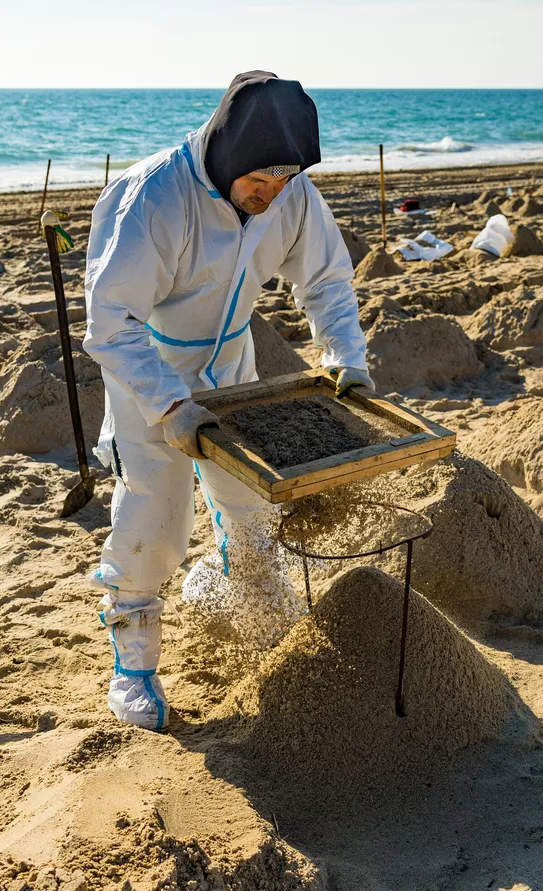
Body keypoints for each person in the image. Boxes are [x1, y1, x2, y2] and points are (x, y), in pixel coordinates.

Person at [82, 71, 373, 730]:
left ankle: (256, 606)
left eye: (283, 184)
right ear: (228, 155)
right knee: (151, 519)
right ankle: (133, 667)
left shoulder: (289, 195)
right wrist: (169, 405)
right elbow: (109, 324)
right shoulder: (153, 199)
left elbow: (327, 277)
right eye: (258, 185)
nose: (269, 199)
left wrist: (346, 359)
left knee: (251, 501)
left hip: (235, 364)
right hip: (149, 366)